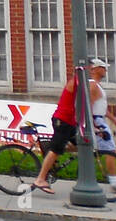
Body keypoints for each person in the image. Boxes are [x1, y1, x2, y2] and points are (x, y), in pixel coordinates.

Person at [31, 56, 109, 194]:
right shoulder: (78, 82)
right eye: (88, 69)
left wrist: (92, 127)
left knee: (82, 145)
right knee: (57, 150)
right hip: (63, 120)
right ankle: (40, 179)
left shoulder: (83, 82)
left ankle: (51, 148)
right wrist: (92, 125)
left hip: (71, 122)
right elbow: (85, 106)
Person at [89, 58, 116, 197]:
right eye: (103, 67)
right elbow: (90, 106)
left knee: (106, 150)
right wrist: (93, 124)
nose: (106, 70)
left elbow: (100, 107)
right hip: (98, 121)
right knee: (110, 150)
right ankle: (114, 182)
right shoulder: (93, 86)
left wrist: (114, 119)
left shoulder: (98, 86)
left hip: (100, 119)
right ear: (96, 69)